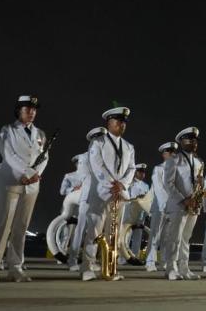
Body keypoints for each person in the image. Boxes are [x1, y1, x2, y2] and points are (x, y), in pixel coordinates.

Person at [0, 95, 47, 283]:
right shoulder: (7, 130)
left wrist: (35, 174)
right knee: (2, 226)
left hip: (32, 185)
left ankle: (16, 267)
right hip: (9, 182)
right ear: (18, 111)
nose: (31, 112)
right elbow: (8, 155)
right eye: (27, 109)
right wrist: (27, 172)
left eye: (34, 110)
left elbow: (45, 157)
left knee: (21, 227)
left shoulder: (40, 134)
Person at [80, 107, 135, 281]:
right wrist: (113, 184)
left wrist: (123, 185)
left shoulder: (128, 147)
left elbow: (132, 169)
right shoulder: (98, 143)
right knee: (94, 231)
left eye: (124, 121)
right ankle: (87, 268)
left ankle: (110, 269)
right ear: (109, 123)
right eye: (118, 121)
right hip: (101, 193)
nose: (121, 124)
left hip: (119, 195)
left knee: (114, 233)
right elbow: (98, 167)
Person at [163, 127, 204, 281]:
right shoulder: (174, 160)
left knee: (186, 238)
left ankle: (184, 268)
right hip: (178, 205)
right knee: (175, 237)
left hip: (193, 205)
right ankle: (171, 268)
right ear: (181, 142)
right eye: (190, 140)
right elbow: (168, 183)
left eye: (195, 140)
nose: (194, 143)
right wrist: (183, 199)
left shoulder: (199, 162)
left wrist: (198, 197)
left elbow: (199, 184)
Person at [68, 127, 104, 272]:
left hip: (101, 197)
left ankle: (90, 260)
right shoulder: (84, 157)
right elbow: (84, 176)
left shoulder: (107, 157)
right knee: (81, 228)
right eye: (99, 139)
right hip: (88, 196)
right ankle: (72, 260)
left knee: (95, 230)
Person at [146, 144, 172, 272]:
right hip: (160, 207)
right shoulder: (158, 169)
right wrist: (165, 205)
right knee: (155, 234)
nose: (172, 154)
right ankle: (150, 261)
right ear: (163, 154)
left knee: (167, 236)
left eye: (173, 152)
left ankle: (164, 261)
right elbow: (159, 188)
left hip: (172, 208)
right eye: (169, 152)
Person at [121, 163, 149, 264]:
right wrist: (137, 198)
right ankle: (123, 258)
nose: (142, 174)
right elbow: (125, 198)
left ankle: (135, 257)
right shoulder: (129, 183)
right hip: (129, 213)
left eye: (143, 172)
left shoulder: (146, 186)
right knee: (126, 236)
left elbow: (147, 201)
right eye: (140, 172)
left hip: (140, 214)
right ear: (135, 172)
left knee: (138, 237)